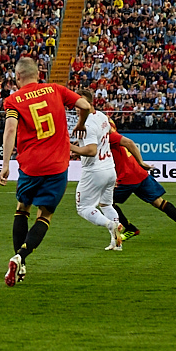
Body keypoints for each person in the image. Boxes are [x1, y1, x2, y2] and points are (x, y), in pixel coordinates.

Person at [0, 57, 91, 287]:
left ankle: (21, 265)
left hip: (30, 166)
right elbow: (85, 105)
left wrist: (6, 164)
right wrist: (81, 122)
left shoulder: (13, 100)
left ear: (17, 77)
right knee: (45, 216)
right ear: (39, 74)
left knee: (22, 209)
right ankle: (20, 257)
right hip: (56, 166)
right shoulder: (56, 89)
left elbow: (10, 130)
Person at [107, 123, 176, 245]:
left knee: (106, 202)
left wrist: (140, 161)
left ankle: (130, 229)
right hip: (139, 174)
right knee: (159, 202)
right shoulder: (116, 136)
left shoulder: (109, 137)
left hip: (128, 177)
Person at [69, 90, 123, 251]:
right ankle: (117, 243)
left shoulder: (88, 125)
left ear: (89, 104)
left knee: (83, 208)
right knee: (106, 204)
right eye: (76, 105)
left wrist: (69, 146)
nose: (77, 108)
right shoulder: (102, 116)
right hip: (109, 168)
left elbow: (92, 150)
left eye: (81, 105)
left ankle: (111, 224)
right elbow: (98, 143)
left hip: (94, 170)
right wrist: (78, 148)